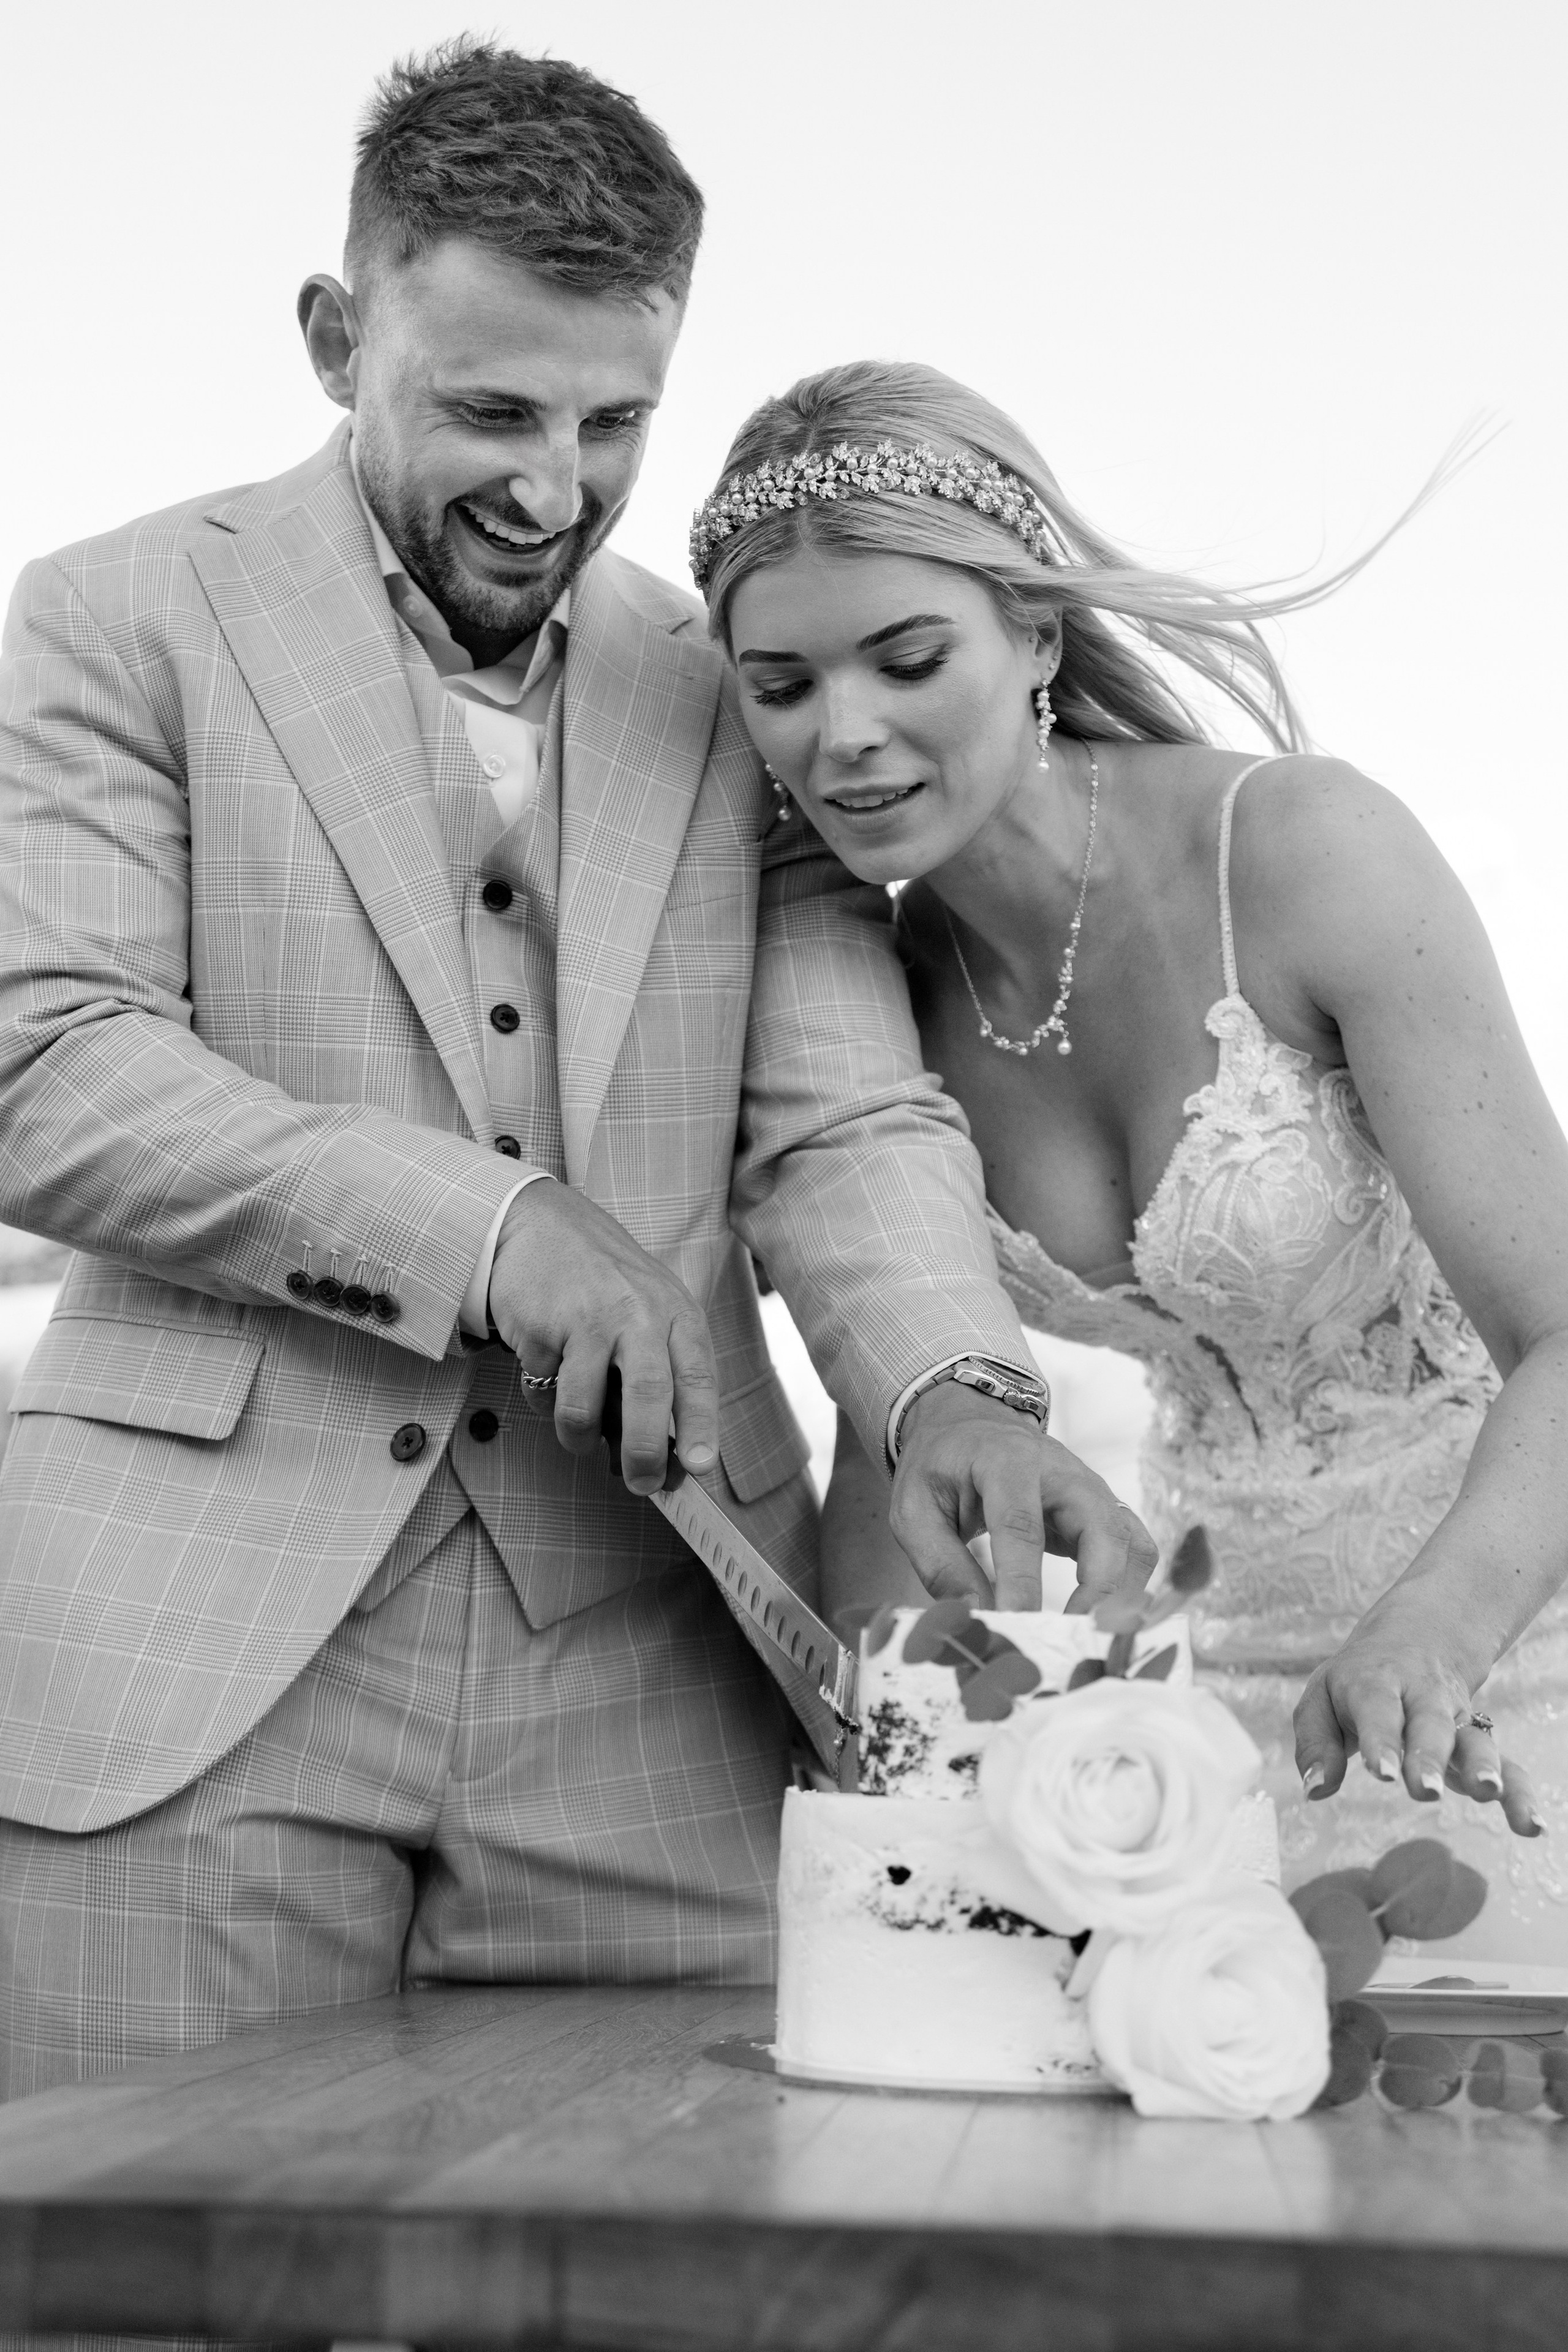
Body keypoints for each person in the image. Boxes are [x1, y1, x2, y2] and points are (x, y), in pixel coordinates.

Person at [0, 52, 1152, 2101]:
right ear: (339, 338)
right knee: (140, 2284)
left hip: (662, 1666)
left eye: (615, 421)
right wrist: (496, 1224)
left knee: (695, 2275)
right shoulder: (112, 619)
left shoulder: (732, 692)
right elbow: (53, 1069)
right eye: (494, 411)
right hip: (180, 1663)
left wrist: (954, 1382)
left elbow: (839, 1119)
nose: (556, 486)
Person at [694, 360, 1568, 1962]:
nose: (847, 737)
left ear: (1035, 631)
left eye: (905, 659)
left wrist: (1437, 1637)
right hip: (1183, 1740)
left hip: (1499, 1666)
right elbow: (899, 1427)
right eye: (783, 686)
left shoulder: (1304, 853)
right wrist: (891, 1787)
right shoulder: (869, 992)